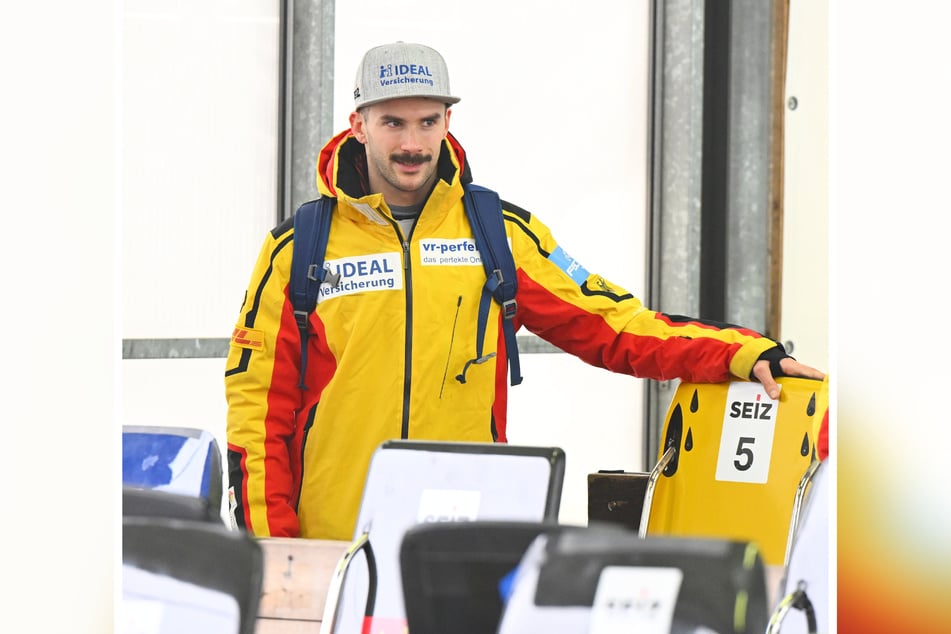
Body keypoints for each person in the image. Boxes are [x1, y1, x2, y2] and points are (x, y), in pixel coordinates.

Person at [224, 41, 825, 541]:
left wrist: (741, 352)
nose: (412, 143)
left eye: (428, 121)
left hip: (463, 542)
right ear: (358, 125)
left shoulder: (497, 234)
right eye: (393, 122)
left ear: (448, 122)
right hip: (336, 550)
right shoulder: (298, 248)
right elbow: (257, 410)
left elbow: (610, 324)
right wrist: (272, 549)